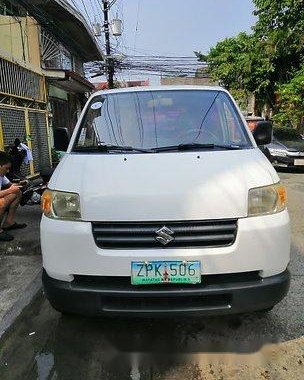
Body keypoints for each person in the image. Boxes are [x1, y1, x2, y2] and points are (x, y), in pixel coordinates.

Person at [0, 151, 27, 241]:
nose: (8, 171)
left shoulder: (1, 175)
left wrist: (19, 184)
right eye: (6, 168)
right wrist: (10, 190)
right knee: (2, 203)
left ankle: (9, 222)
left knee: (17, 192)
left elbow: (9, 185)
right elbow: (9, 189)